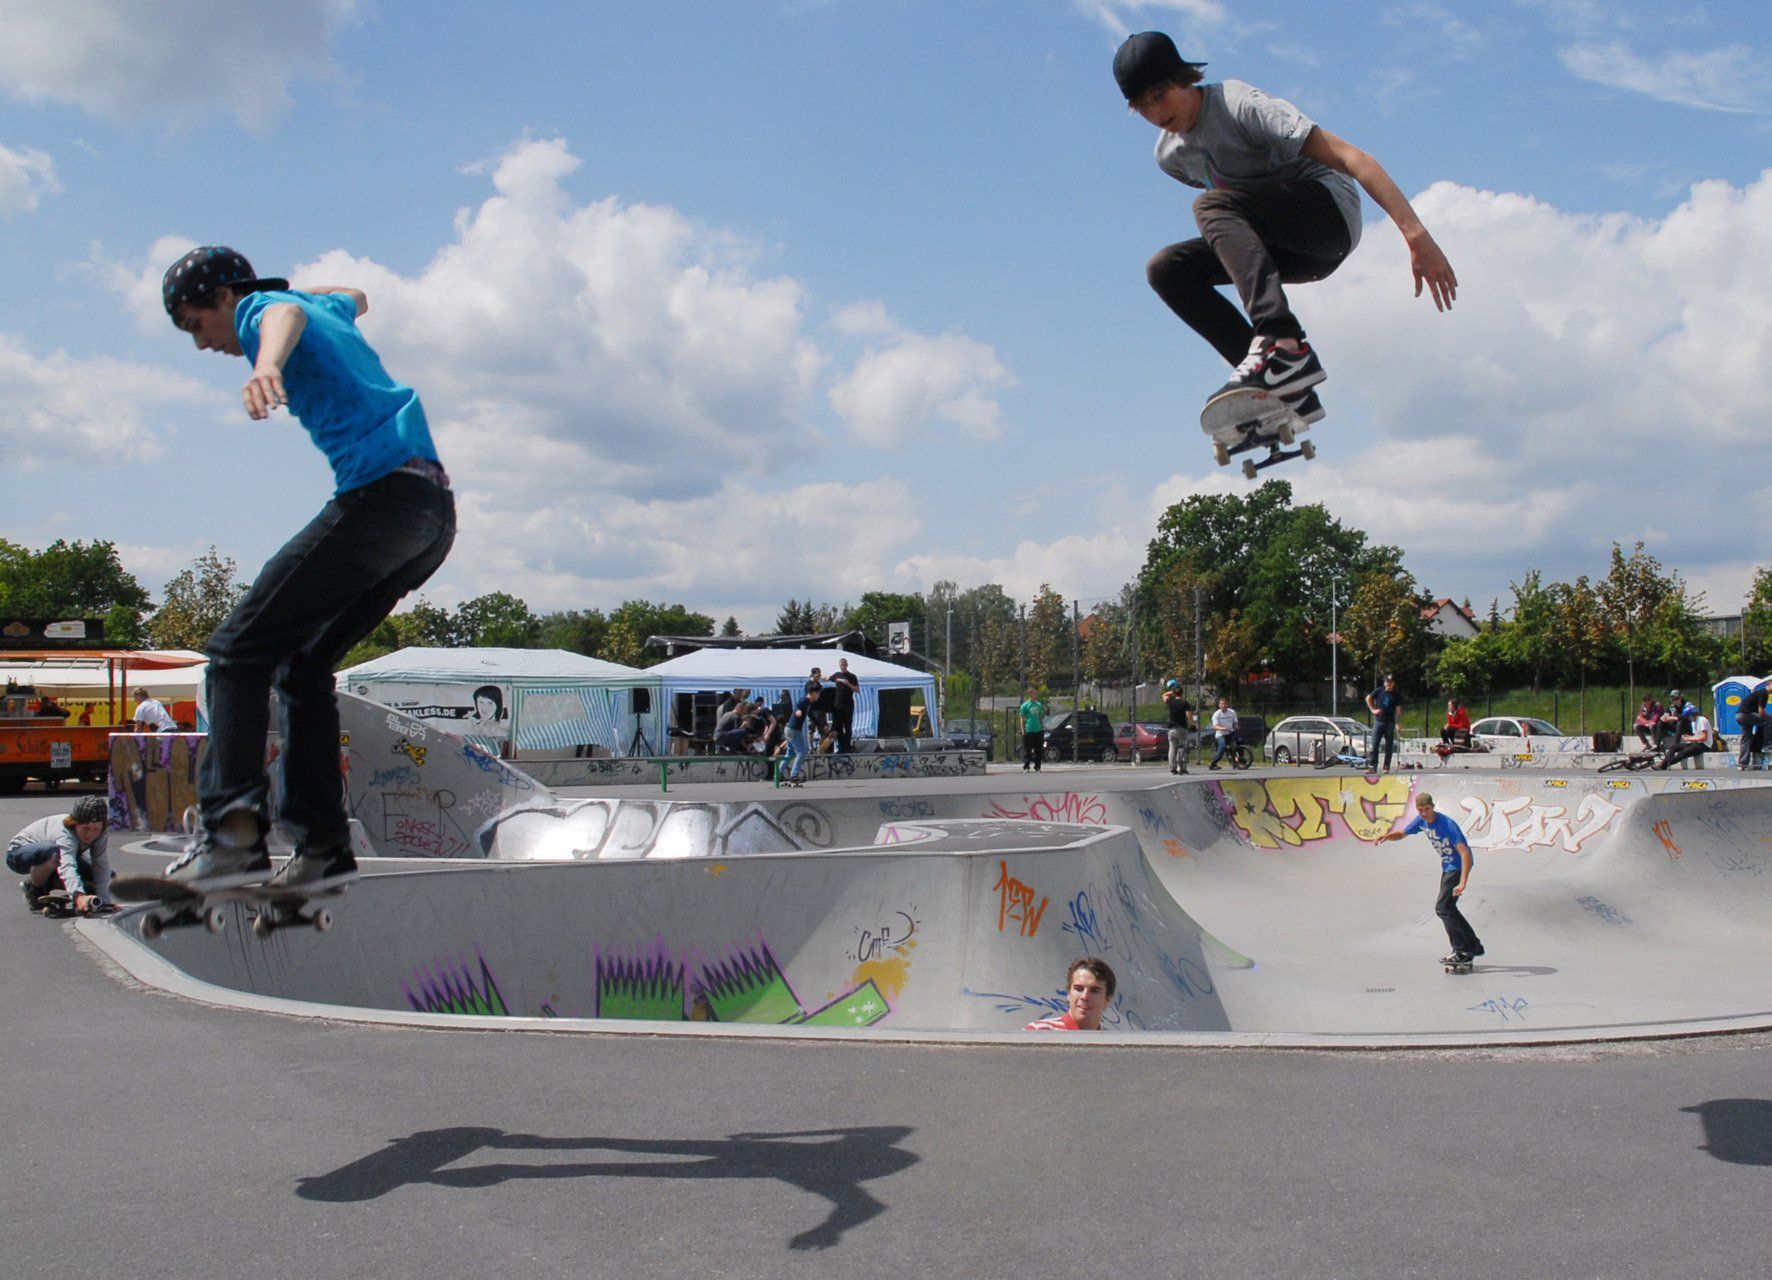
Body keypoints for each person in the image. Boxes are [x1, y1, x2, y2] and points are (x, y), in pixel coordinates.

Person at [160, 246, 455, 893]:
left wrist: (266, 361)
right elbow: (358, 295)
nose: (202, 344)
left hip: (380, 499)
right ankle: (322, 848)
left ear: (225, 298)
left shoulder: (262, 312)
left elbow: (279, 314)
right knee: (301, 668)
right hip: (432, 515)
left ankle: (232, 838)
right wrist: (295, 296)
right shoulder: (323, 308)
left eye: (196, 324)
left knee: (235, 654)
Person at [1114, 32, 1456, 429]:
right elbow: (1236, 227)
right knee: (1167, 269)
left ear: (1183, 78)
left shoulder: (1240, 105)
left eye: (1160, 96)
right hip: (1285, 246)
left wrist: (1417, 237)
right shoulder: (1170, 157)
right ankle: (1285, 392)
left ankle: (1282, 345)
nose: (1156, 113)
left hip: (1329, 217)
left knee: (1210, 206)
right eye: (1142, 106)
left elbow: (1356, 159)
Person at [1378, 792, 1484, 967]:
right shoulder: (1421, 821)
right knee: (1449, 907)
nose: (1424, 813)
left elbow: (1465, 853)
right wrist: (1388, 837)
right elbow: (1403, 833)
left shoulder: (1447, 824)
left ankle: (1461, 951)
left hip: (1458, 866)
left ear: (1433, 807)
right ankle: (1473, 946)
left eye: (1427, 809)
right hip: (1448, 867)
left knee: (1442, 908)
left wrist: (1463, 882)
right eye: (1420, 810)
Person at [8, 795, 112, 914]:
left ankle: (50, 882)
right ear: (75, 823)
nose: (90, 834)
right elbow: (67, 865)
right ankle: (35, 890)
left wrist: (104, 901)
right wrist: (78, 895)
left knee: (105, 877)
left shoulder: (102, 833)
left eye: (95, 829)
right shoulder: (65, 832)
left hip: (55, 858)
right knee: (53, 853)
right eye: (85, 828)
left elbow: (100, 864)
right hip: (18, 854)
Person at [1025, 957, 1116, 1031]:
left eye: (1094, 991)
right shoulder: (1040, 1031)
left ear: (1107, 1000)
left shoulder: (1112, 1044)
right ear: (1069, 994)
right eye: (1079, 989)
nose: (1084, 996)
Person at [1655, 701, 1712, 771]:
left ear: (1692, 714)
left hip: (1704, 745)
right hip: (1697, 743)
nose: (1688, 718)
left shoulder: (1702, 720)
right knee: (1674, 747)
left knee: (1683, 753)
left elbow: (1704, 737)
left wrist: (1689, 739)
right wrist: (1689, 737)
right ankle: (1665, 763)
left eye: (1688, 716)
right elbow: (1696, 735)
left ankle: (1663, 764)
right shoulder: (1694, 723)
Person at [1366, 674, 1401, 772]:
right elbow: (1368, 698)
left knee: (1389, 745)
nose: (1388, 684)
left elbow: (1399, 710)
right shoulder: (1379, 691)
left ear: (1393, 683)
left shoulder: (1396, 694)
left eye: (1390, 682)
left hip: (1390, 722)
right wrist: (1373, 710)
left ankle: (1386, 767)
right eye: (1387, 682)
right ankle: (1373, 766)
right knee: (1375, 744)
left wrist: (1398, 723)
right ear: (1384, 683)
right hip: (1379, 721)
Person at [1162, 677, 1194, 775]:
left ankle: (1173, 768)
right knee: (1183, 747)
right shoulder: (1185, 703)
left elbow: (1164, 695)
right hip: (1182, 728)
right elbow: (1189, 716)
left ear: (1175, 693)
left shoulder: (1170, 702)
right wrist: (1193, 725)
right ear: (1182, 693)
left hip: (1172, 729)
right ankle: (1183, 768)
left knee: (1172, 749)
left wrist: (1173, 691)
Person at [1736, 680, 1770, 770]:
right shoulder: (1764, 693)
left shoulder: (1759, 693)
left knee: (1746, 738)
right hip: (1746, 715)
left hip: (1739, 716)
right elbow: (1761, 712)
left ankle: (1742, 763)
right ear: (1770, 685)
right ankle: (1768, 745)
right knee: (1769, 722)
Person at [829, 658, 861, 753]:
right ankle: (841, 745)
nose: (843, 667)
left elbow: (857, 690)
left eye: (844, 665)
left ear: (847, 665)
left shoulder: (852, 676)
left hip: (848, 705)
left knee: (848, 726)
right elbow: (828, 678)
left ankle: (847, 746)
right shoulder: (837, 675)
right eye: (841, 665)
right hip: (838, 705)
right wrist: (819, 676)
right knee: (837, 726)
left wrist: (848, 684)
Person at [1018, 690, 1047, 772]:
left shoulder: (1039, 705)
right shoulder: (1025, 705)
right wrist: (1023, 730)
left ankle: (1037, 767)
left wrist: (1042, 728)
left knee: (1038, 750)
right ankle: (1026, 767)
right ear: (1030, 694)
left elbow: (1040, 717)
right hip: (1029, 730)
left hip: (1038, 731)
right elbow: (1022, 718)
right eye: (1034, 693)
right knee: (1028, 751)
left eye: (1036, 693)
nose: (1036, 695)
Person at [1207, 696, 1239, 769]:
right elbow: (1215, 726)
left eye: (1225, 704)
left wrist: (1236, 726)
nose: (1223, 705)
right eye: (1222, 704)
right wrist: (1223, 728)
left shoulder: (1232, 712)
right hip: (1220, 734)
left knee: (1238, 743)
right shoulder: (1217, 714)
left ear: (1227, 704)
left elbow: (1235, 722)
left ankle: (1238, 761)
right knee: (1223, 746)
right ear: (1219, 705)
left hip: (1230, 733)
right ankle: (1213, 764)